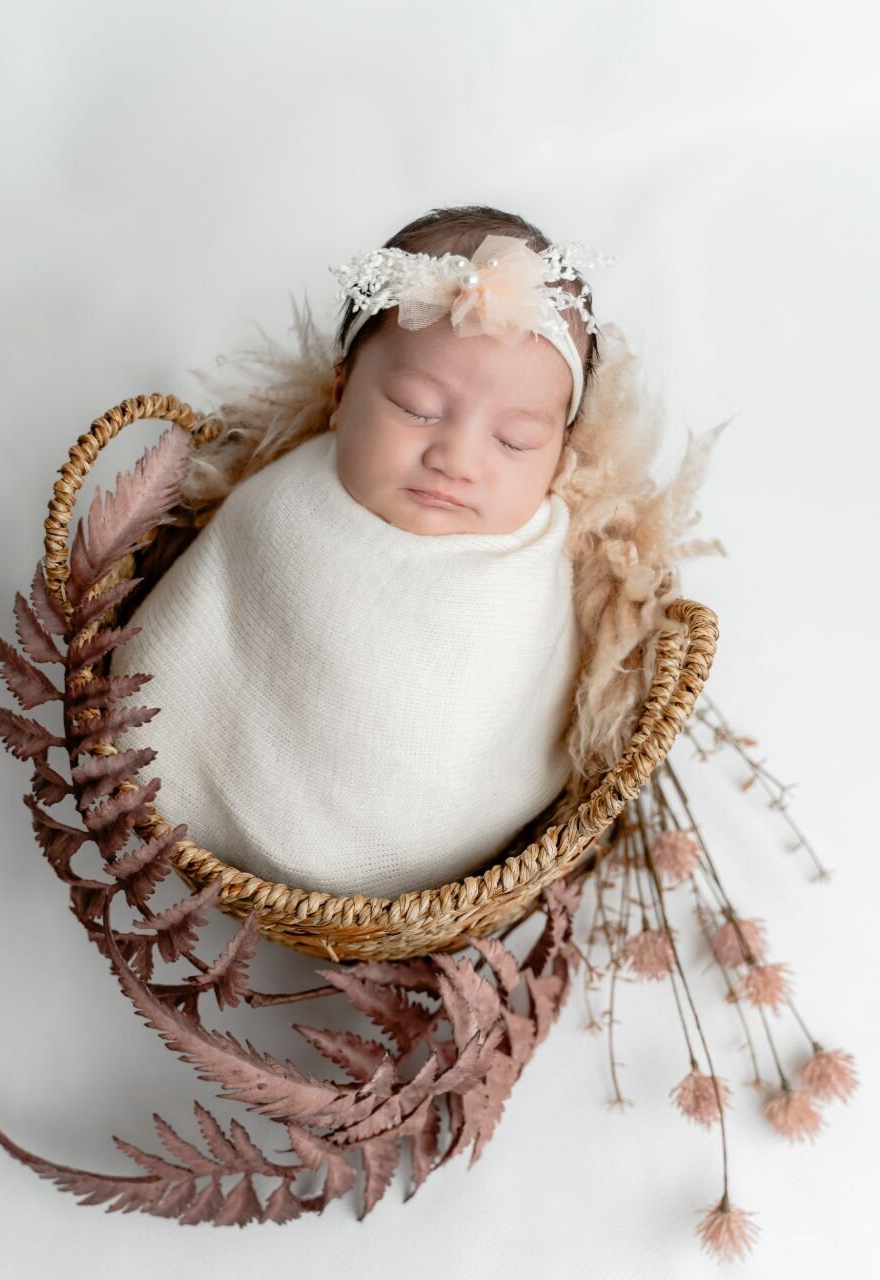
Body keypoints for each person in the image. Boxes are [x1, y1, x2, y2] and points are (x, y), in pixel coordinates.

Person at [110, 205, 616, 899]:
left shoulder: (538, 567)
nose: (454, 458)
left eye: (514, 441)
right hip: (200, 812)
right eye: (414, 406)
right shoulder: (278, 505)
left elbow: (527, 708)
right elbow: (191, 640)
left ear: (561, 453)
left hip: (438, 869)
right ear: (342, 394)